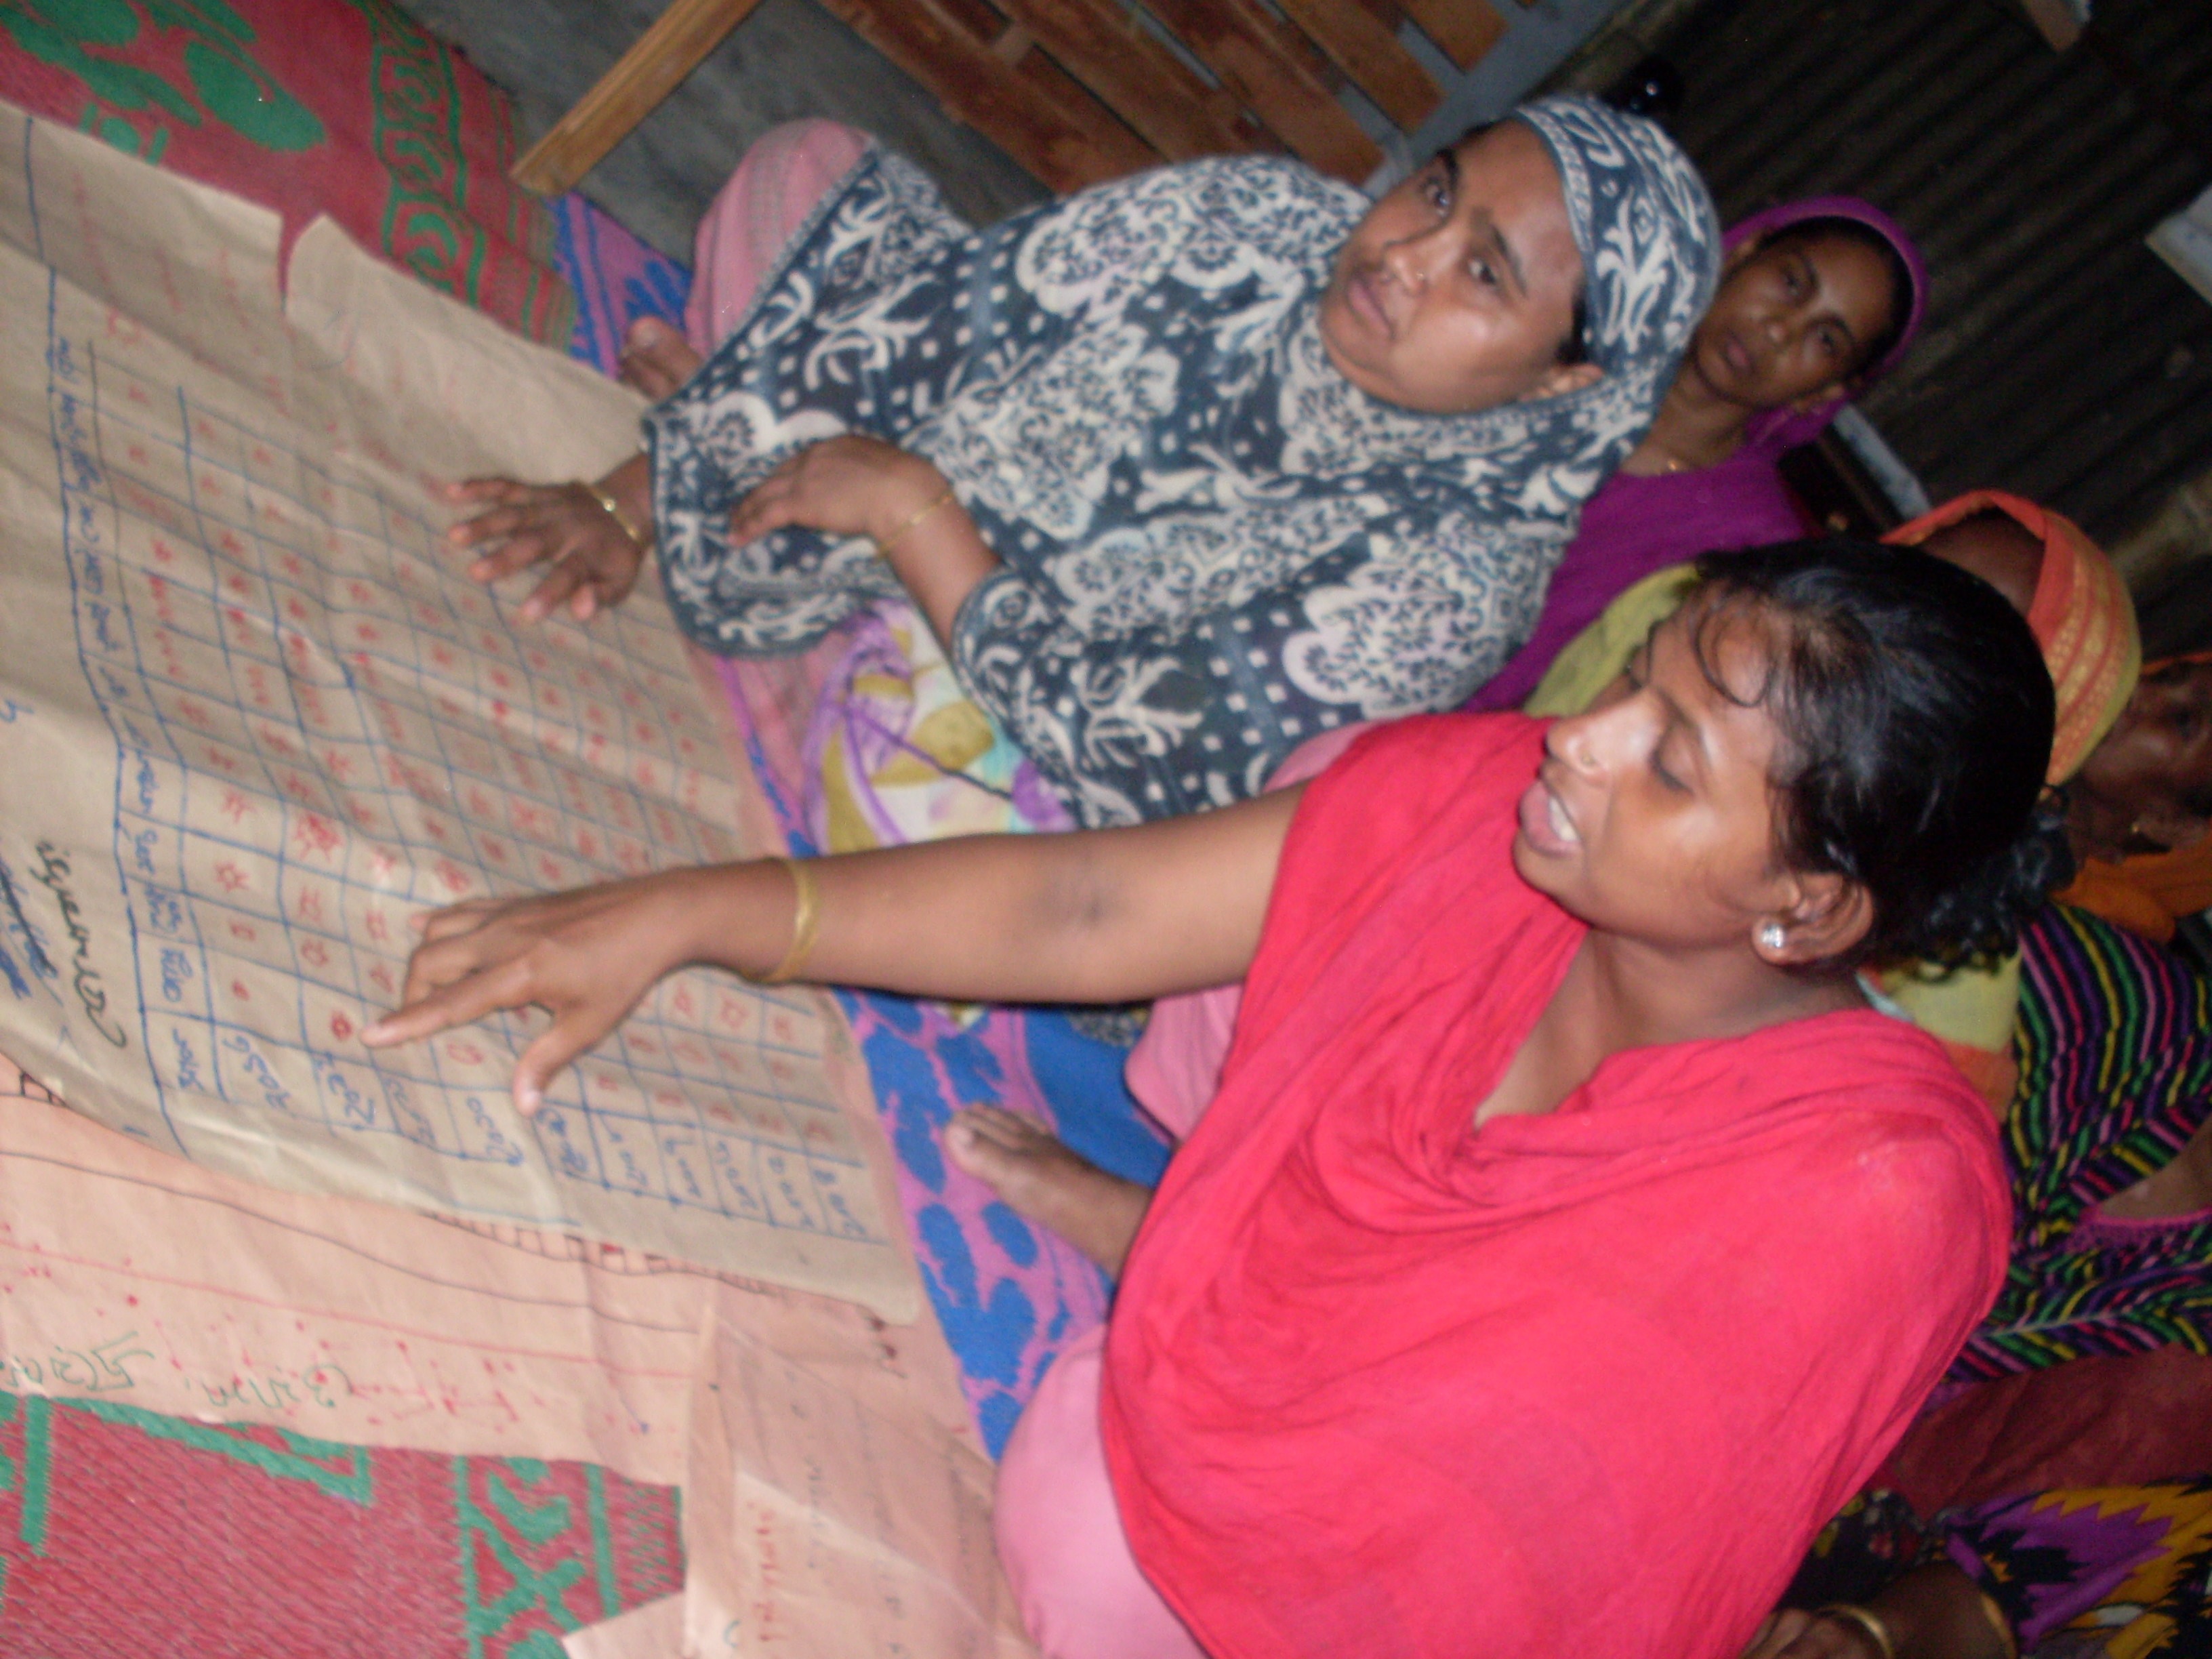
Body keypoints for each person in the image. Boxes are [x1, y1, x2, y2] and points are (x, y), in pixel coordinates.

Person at [363, 539, 2059, 1658]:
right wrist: (700, 911)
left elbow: (1563, 1558)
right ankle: (1175, 1228)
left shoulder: (1854, 1198)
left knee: (1096, 1537)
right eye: (1638, 683)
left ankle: (1163, 1234)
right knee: (1351, 795)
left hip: (1363, 1561)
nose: (1579, 738)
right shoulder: (1481, 803)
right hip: (1240, 1357)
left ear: (1809, 911)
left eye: (1668, 758)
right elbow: (1091, 907)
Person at [440, 98, 1717, 828]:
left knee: (955, 788)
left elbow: (1125, 750)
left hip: (1028, 724)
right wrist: (640, 488)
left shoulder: (1457, 572)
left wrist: (906, 505)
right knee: (809, 167)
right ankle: (758, 468)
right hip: (935, 472)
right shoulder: (1270, 218)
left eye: (1482, 272)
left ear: (1568, 379)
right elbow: (953, 318)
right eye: (1434, 193)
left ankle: (776, 478)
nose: (1402, 257)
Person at [1469, 196, 1925, 712]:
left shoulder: (1748, 556)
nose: (1780, 329)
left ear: (1825, 392)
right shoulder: (1557, 335)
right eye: (1792, 282)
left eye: (1825, 340)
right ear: (1743, 253)